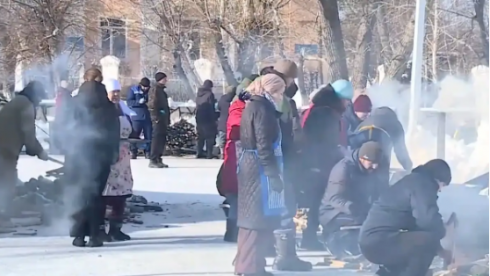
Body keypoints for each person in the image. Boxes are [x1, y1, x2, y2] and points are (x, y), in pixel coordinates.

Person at [359, 159, 453, 276]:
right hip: (379, 242)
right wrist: (444, 230)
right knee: (427, 242)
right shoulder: (422, 184)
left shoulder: (413, 181)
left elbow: (420, 226)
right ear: (438, 178)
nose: (439, 190)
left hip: (373, 241)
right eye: (442, 185)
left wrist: (441, 251)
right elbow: (427, 221)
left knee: (417, 242)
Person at [261, 61, 312, 272]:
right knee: (285, 206)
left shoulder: (262, 95)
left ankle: (270, 251)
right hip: (282, 158)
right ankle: (285, 256)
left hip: (270, 158)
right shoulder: (280, 100)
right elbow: (292, 131)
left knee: (273, 206)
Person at [234, 73, 286, 276]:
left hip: (251, 166)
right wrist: (273, 175)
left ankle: (251, 266)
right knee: (256, 222)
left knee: (254, 221)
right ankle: (251, 268)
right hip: (259, 169)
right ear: (271, 90)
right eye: (280, 91)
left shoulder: (255, 105)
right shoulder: (262, 109)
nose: (282, 95)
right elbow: (264, 145)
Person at [66, 68, 120, 247]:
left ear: (84, 79)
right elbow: (114, 132)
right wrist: (113, 153)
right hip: (101, 155)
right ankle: (95, 235)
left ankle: (79, 235)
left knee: (81, 193)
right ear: (101, 80)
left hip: (78, 155)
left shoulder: (74, 104)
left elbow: (64, 128)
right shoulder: (108, 106)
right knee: (96, 194)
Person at [299, 81, 352, 250]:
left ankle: (311, 237)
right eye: (347, 100)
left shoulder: (320, 109)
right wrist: (338, 153)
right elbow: (323, 141)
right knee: (318, 202)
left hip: (316, 162)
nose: (348, 104)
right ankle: (310, 238)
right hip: (319, 163)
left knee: (317, 201)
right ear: (340, 99)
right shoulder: (326, 113)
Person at [318, 141, 382, 256]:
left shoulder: (369, 169)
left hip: (357, 209)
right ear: (362, 158)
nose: (375, 166)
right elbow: (334, 198)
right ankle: (336, 240)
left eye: (377, 163)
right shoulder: (343, 169)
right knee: (366, 221)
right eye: (372, 162)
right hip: (332, 214)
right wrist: (353, 208)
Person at [0, 81, 48, 215]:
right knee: (7, 183)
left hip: (4, 147)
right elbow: (28, 133)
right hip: (6, 149)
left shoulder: (17, 102)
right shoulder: (26, 105)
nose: (39, 102)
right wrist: (39, 151)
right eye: (40, 98)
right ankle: (3, 218)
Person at [219, 76, 257, 243]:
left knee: (241, 197)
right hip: (236, 159)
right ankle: (232, 232)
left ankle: (237, 231)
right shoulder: (238, 109)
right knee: (235, 197)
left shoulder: (243, 108)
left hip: (241, 158)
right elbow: (237, 129)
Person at [350, 106, 413, 198]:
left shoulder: (366, 121)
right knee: (380, 181)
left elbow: (353, 142)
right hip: (381, 149)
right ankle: (380, 201)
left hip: (361, 148)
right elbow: (400, 149)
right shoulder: (395, 124)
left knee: (362, 175)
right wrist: (408, 166)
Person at [99, 78, 134, 242]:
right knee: (106, 194)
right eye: (113, 92)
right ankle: (101, 228)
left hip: (124, 158)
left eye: (118, 92)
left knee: (121, 195)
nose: (116, 95)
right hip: (109, 155)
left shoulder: (122, 108)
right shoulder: (103, 109)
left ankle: (116, 229)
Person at [148, 72, 171, 168]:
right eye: (164, 79)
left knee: (162, 139)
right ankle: (153, 159)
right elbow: (152, 104)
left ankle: (158, 158)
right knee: (156, 139)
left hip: (163, 118)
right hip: (158, 118)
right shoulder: (155, 90)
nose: (166, 80)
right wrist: (156, 116)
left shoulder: (162, 91)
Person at [126, 77, 152, 159]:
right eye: (144, 87)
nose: (145, 88)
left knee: (148, 134)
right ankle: (133, 151)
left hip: (146, 115)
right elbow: (129, 102)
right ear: (140, 85)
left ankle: (148, 152)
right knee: (135, 134)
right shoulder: (133, 90)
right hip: (136, 115)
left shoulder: (149, 91)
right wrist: (138, 102)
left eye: (147, 87)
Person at [195, 79, 218, 159]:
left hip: (199, 117)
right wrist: (214, 118)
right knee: (210, 136)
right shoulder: (210, 94)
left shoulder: (198, 94)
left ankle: (199, 152)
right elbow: (211, 108)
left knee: (200, 136)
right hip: (208, 118)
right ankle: (209, 153)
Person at [216, 86, 236, 159]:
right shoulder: (235, 99)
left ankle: (222, 153)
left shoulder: (222, 98)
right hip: (232, 122)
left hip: (222, 121)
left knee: (222, 139)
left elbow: (218, 108)